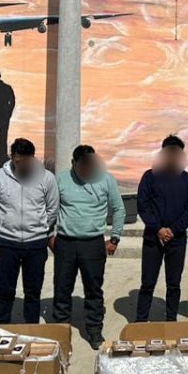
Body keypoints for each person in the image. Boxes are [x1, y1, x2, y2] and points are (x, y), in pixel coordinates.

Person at [52, 144, 125, 349]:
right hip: (65, 243)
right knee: (62, 289)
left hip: (93, 244)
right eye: (82, 167)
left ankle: (94, 331)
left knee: (94, 290)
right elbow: (50, 207)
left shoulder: (106, 180)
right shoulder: (61, 179)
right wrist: (50, 235)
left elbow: (118, 209)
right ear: (74, 163)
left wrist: (114, 238)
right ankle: (60, 332)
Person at [0, 137, 59, 324]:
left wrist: (40, 228)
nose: (23, 165)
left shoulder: (47, 178)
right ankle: (2, 327)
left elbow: (52, 209)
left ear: (33, 158)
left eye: (26, 161)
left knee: (33, 292)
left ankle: (31, 328)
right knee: (4, 290)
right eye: (18, 161)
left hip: (36, 245)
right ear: (12, 157)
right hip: (6, 244)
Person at [135, 135, 188, 322]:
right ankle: (140, 321)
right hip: (153, 239)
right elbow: (143, 205)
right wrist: (158, 229)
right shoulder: (150, 177)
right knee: (147, 284)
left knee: (173, 284)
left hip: (176, 240)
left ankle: (171, 321)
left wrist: (174, 230)